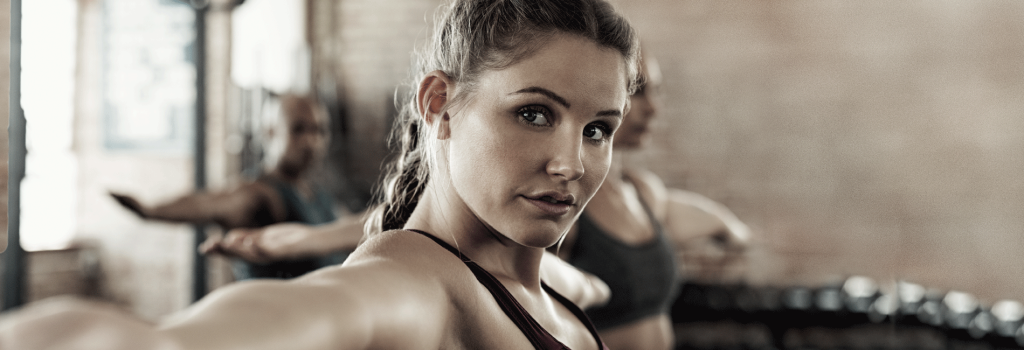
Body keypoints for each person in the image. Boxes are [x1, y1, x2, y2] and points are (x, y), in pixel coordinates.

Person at [0, 0, 640, 349]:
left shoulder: (535, 281)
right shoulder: (412, 287)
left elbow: (576, 289)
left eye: (597, 129)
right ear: (439, 106)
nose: (572, 164)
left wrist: (574, 281)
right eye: (533, 113)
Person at [551, 49, 751, 350]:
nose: (654, 108)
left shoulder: (642, 192)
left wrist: (731, 231)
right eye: (639, 90)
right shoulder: (565, 198)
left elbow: (708, 220)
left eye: (656, 91)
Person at [109, 94, 345, 279]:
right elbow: (211, 202)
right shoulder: (259, 193)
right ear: (270, 132)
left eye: (319, 130)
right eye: (299, 129)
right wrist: (151, 211)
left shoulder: (319, 194)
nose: (312, 141)